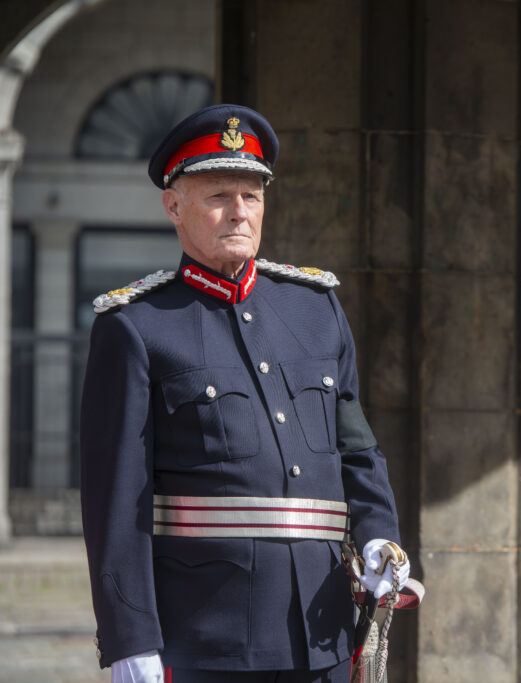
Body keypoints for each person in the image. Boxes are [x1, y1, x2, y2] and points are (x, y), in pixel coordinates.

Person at [80, 104, 411, 682]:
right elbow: (114, 505)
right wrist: (130, 639)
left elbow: (358, 450)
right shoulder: (136, 326)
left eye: (252, 196)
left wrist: (381, 536)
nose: (240, 212)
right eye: (218, 196)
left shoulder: (317, 310)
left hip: (324, 635)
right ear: (173, 205)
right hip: (208, 643)